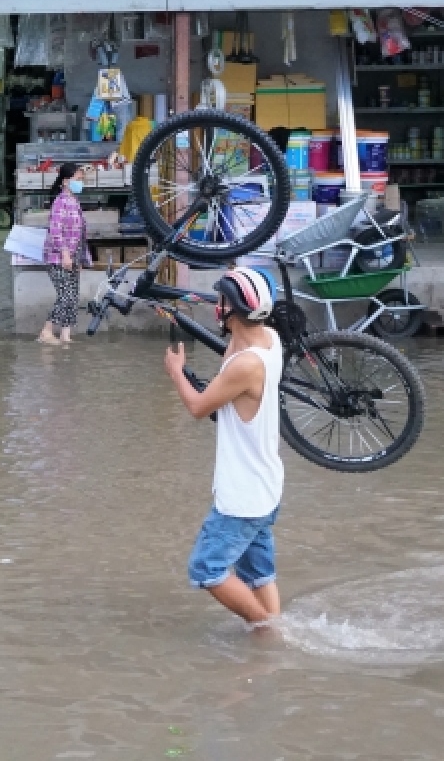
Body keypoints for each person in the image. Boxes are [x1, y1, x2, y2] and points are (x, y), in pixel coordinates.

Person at [164, 268, 284, 628]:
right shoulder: (269, 340)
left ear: (235, 310)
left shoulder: (245, 366)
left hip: (242, 497)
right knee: (259, 575)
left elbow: (200, 408)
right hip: (266, 486)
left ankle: (266, 631)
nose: (217, 306)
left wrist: (176, 372)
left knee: (206, 569)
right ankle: (273, 633)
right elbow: (230, 354)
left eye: (222, 301)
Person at [38, 163, 91, 346]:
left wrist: (81, 258)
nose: (81, 183)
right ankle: (46, 331)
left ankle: (65, 335)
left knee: (73, 295)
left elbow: (81, 234)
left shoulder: (74, 201)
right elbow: (55, 231)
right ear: (66, 181)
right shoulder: (60, 202)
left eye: (81, 179)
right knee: (65, 296)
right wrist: (65, 254)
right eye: (78, 179)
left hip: (73, 256)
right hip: (58, 257)